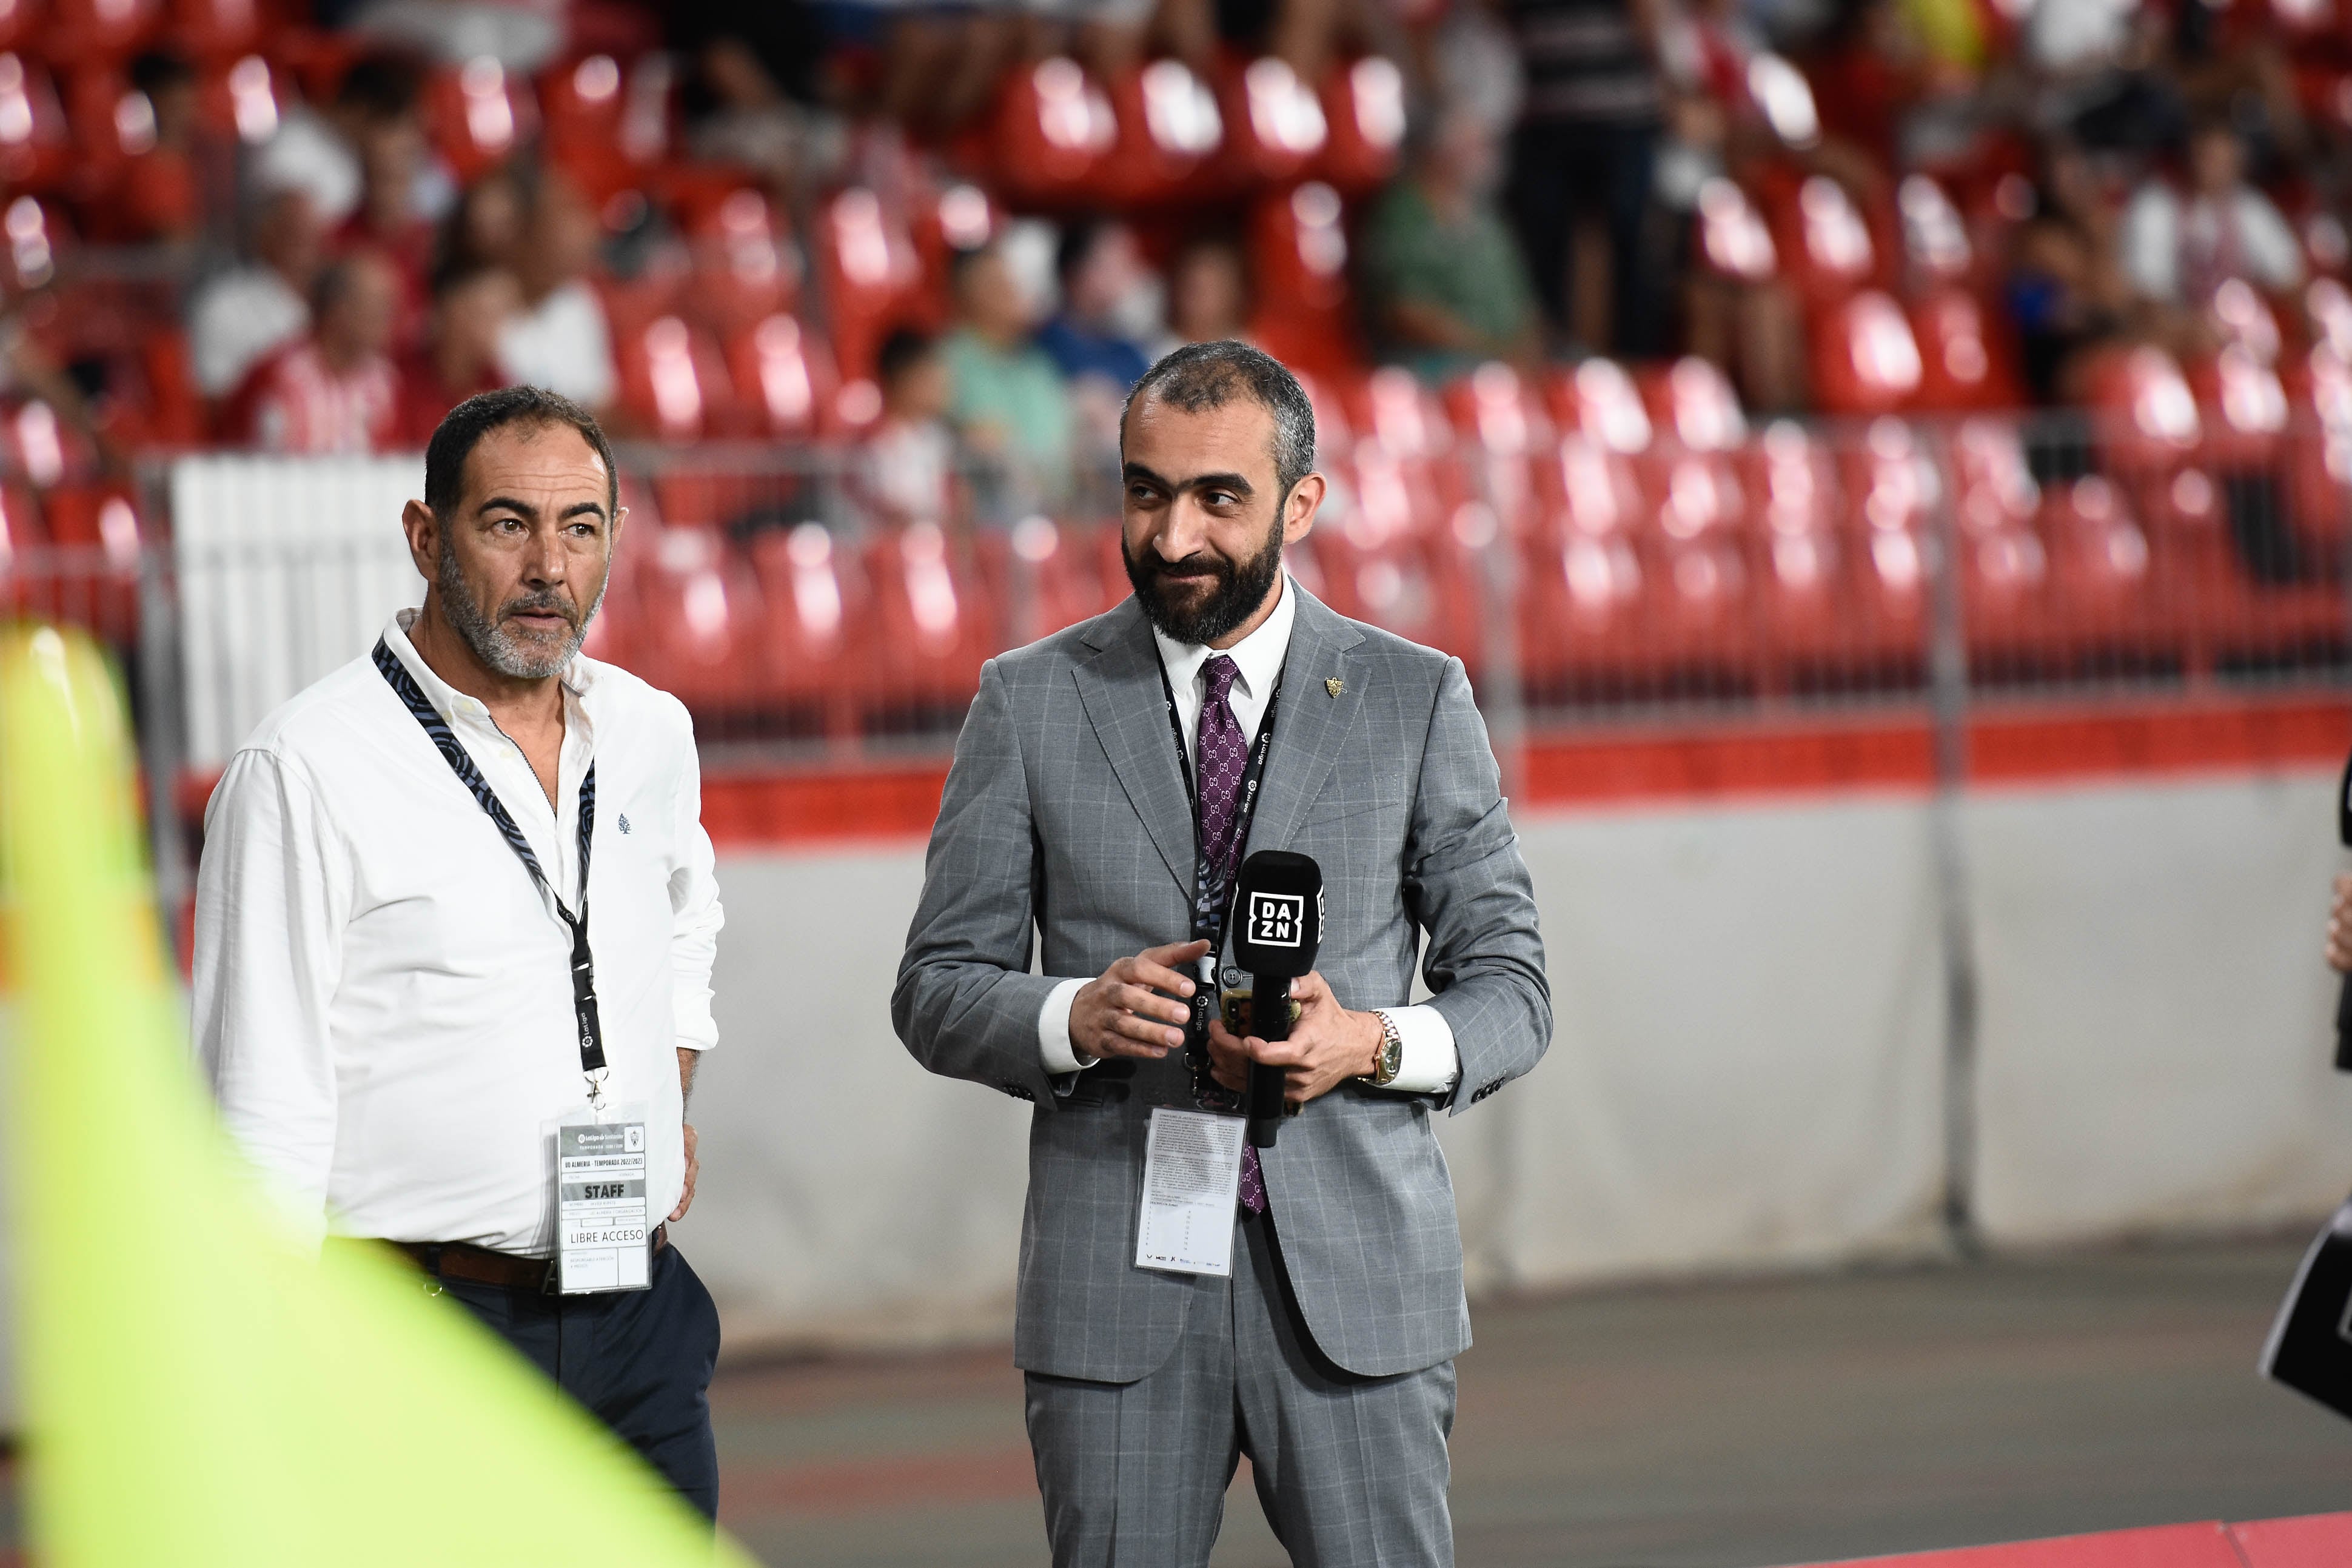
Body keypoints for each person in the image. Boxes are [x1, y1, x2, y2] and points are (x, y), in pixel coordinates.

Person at [894, 340, 1552, 1566]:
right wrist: (1071, 1015)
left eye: (1217, 498)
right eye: (1144, 492)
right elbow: (936, 988)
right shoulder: (1026, 701)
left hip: (1357, 1287)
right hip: (1115, 1288)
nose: (1171, 534)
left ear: (1301, 504)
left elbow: (1512, 990)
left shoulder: (1415, 698)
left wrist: (1369, 1041)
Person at [192, 384, 727, 1517]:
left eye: (580, 526)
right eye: (506, 524)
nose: (548, 566)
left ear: (616, 540)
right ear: (425, 537)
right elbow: (260, 1101)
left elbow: (687, 916)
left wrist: (662, 1081)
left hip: (635, 1314)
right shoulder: (305, 769)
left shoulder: (648, 731)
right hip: (417, 1332)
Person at [1504, 0, 1667, 356]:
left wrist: (1669, 84)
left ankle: (1633, 361)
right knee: (1545, 244)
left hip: (1621, 118)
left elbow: (1650, 21)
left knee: (1628, 241)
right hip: (1544, 115)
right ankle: (1554, 359)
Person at [1361, 106, 1544, 379]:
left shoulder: (1488, 217)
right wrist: (1494, 352)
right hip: (1437, 366)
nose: (1489, 156)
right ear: (1441, 152)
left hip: (1508, 363)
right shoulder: (1403, 216)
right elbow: (1405, 312)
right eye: (1477, 146)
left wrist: (1527, 351)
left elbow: (1523, 305)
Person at [2119, 116, 2303, 344]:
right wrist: (2188, 327)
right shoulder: (2156, 205)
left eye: (2224, 161)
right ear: (2188, 157)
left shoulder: (2251, 207)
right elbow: (2147, 294)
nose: (2214, 169)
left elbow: (2288, 276)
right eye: (2207, 159)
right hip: (2182, 332)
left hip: (2244, 329)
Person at [223, 249, 404, 454]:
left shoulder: (384, 384)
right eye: (379, 306)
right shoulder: (277, 376)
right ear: (339, 310)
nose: (389, 319)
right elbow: (239, 457)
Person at [942, 240, 1074, 508]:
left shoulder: (1040, 366)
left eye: (1011, 281)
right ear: (966, 294)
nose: (1010, 290)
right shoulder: (947, 361)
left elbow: (1066, 442)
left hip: (1055, 510)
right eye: (994, 284)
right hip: (985, 518)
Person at [498, 169, 618, 417]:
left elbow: (599, 407)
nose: (585, 230)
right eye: (565, 214)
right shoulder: (481, 308)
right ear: (525, 227)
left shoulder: (578, 303)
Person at [188, 187, 326, 400]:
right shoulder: (224, 304)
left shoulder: (334, 303)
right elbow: (212, 394)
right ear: (266, 234)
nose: (308, 245)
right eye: (295, 232)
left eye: (314, 234)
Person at [398, 261, 521, 444]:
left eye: (504, 315)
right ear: (453, 314)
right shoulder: (399, 379)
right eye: (488, 314)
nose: (499, 328)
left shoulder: (496, 383)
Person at [857, 325, 959, 529]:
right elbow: (887, 510)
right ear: (904, 379)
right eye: (931, 377)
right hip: (888, 547)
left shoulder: (939, 438)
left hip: (936, 542)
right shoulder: (876, 440)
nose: (943, 385)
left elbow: (954, 502)